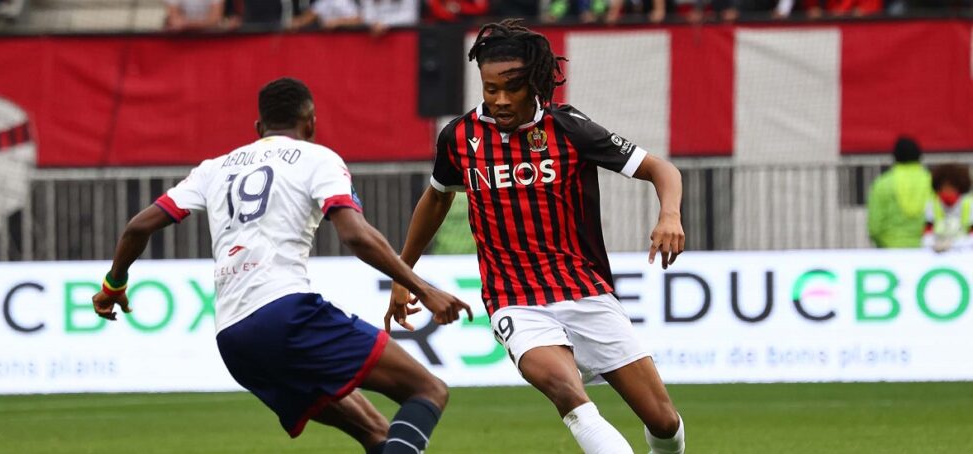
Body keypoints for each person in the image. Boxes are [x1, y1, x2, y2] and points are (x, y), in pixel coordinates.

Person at [92, 78, 472, 454]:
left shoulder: (215, 168)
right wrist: (423, 288)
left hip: (234, 340)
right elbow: (355, 235)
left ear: (259, 127)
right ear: (311, 123)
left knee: (376, 432)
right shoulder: (318, 159)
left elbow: (138, 227)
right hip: (286, 315)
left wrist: (113, 286)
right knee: (428, 390)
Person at [386, 19, 686, 454]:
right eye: (490, 89)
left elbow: (661, 169)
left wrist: (670, 214)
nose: (500, 100)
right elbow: (436, 199)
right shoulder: (460, 137)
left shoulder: (569, 129)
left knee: (663, 421)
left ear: (535, 83)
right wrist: (403, 274)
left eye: (513, 88)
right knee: (567, 392)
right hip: (514, 298)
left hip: (585, 290)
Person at [867, 136, 933, 248]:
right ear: (919, 156)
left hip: (891, 250)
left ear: (895, 157)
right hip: (926, 250)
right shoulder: (932, 182)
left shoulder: (882, 184)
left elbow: (874, 227)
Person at [923, 164, 973, 252]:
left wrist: (955, 244)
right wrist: (934, 244)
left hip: (964, 252)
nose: (948, 190)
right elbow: (927, 235)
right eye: (944, 186)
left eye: (951, 186)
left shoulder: (969, 204)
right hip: (937, 252)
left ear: (959, 186)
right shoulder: (932, 204)